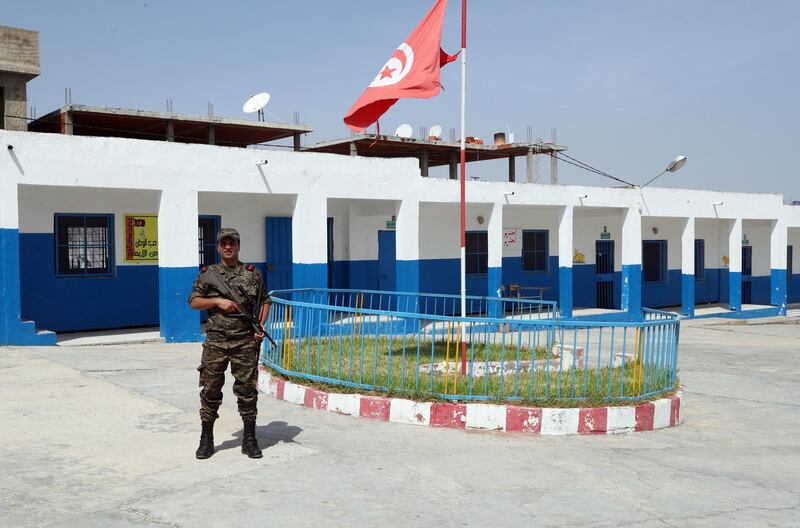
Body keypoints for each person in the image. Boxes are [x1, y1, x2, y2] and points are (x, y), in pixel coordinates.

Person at [188, 227, 271, 459]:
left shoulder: (252, 273)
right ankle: (207, 438)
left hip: (245, 341)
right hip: (216, 340)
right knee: (211, 389)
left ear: (238, 246)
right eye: (223, 243)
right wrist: (218, 301)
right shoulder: (208, 273)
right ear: (218, 247)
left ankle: (250, 438)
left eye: (232, 243)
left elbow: (265, 300)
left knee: (247, 390)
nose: (228, 247)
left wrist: (260, 325)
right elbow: (193, 301)